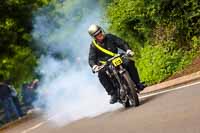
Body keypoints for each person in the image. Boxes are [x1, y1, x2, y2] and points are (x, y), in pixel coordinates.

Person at [88, 24, 145, 104]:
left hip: (117, 58)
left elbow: (121, 42)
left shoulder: (110, 37)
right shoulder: (93, 46)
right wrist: (94, 66)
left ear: (102, 30)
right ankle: (113, 94)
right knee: (101, 74)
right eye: (97, 34)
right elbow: (91, 58)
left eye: (100, 32)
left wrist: (128, 50)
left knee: (129, 62)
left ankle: (137, 83)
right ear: (94, 37)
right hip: (106, 64)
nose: (99, 34)